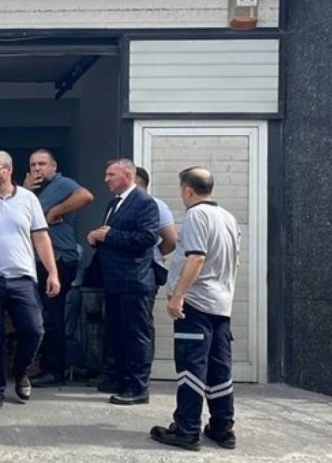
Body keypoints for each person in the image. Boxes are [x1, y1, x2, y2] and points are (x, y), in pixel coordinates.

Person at [0, 150, 61, 417]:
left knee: (34, 329)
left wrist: (52, 273)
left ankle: (21, 371)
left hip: (21, 277)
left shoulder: (28, 199)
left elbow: (41, 238)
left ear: (8, 170)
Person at [151, 167, 241, 451]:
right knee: (219, 368)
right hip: (220, 305)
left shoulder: (196, 215)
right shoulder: (227, 218)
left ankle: (187, 430)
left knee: (191, 367)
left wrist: (177, 297)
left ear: (187, 190)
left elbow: (196, 258)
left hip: (196, 305)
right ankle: (223, 428)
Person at [86, 158, 159, 405]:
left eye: (111, 174)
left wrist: (110, 235)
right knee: (115, 332)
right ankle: (118, 378)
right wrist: (97, 237)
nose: (105, 179)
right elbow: (111, 236)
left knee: (136, 335)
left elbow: (148, 238)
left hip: (134, 280)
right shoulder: (114, 203)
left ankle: (137, 387)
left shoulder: (144, 202)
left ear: (127, 175)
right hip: (114, 280)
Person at [22, 149, 94, 387]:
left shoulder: (62, 184)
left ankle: (54, 370)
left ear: (54, 166)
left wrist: (56, 211)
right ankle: (44, 366)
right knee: (41, 316)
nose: (37, 168)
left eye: (42, 164)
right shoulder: (30, 191)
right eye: (33, 164)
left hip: (60, 259)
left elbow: (86, 196)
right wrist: (25, 191)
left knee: (53, 317)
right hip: (36, 261)